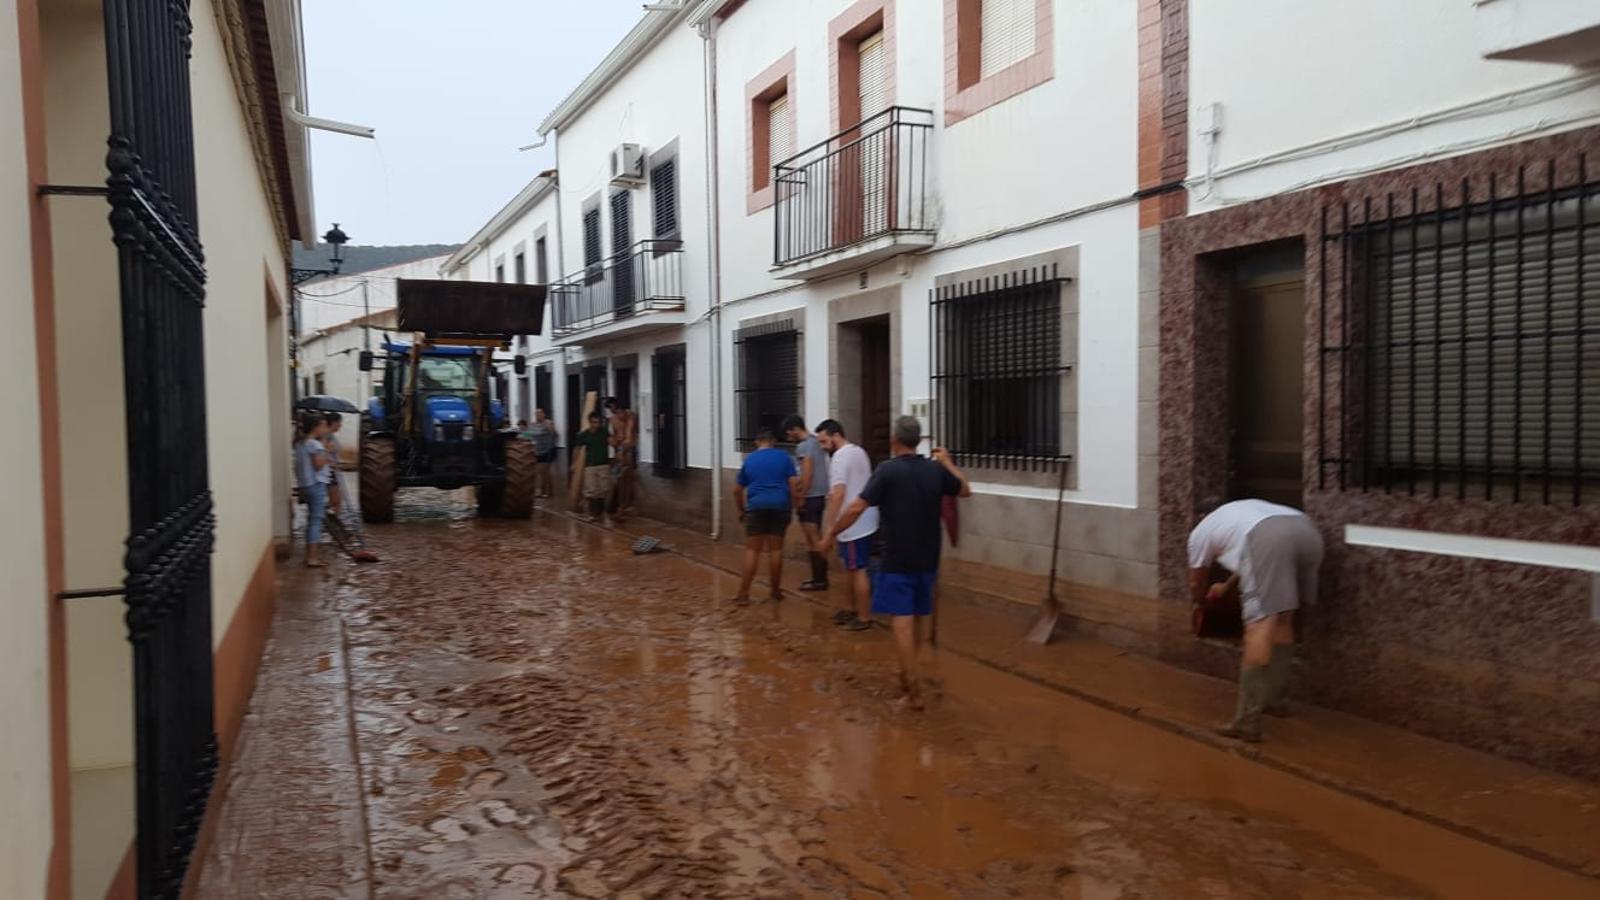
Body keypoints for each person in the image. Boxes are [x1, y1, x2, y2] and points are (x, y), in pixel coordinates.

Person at [822, 416, 970, 709]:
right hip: (928, 558)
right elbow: (965, 490)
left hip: (898, 558)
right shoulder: (935, 470)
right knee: (915, 619)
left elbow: (856, 507)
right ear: (918, 440)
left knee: (901, 624)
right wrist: (948, 462)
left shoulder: (887, 471)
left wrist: (831, 532)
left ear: (895, 439)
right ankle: (907, 674)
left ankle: (912, 691)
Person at [1188, 498, 1325, 742]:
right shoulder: (1238, 513)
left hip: (1268, 538)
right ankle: (1275, 701)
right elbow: (1254, 560)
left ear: (1201, 518)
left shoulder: (1200, 533)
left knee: (1259, 629)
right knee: (1283, 619)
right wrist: (1227, 585)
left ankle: (1246, 722)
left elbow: (1196, 581)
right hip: (1307, 532)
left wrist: (1200, 603)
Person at [815, 419, 877, 631]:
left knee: (857, 569)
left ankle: (863, 616)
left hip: (851, 525)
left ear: (836, 436)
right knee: (850, 568)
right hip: (865, 520)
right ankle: (851, 609)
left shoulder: (839, 459)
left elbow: (839, 494)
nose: (823, 447)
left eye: (824, 441)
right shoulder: (859, 451)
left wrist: (829, 531)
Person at [731, 427, 800, 605]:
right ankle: (775, 591)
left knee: (753, 550)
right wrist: (793, 506)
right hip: (780, 506)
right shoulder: (785, 458)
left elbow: (736, 490)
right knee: (776, 550)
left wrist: (741, 510)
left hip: (756, 507)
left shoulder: (750, 460)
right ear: (773, 441)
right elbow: (793, 484)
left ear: (756, 441)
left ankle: (743, 593)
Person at [784, 414, 830, 592]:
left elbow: (807, 473)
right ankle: (820, 578)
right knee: (816, 536)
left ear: (796, 429)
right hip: (820, 496)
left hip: (810, 497)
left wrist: (801, 498)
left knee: (813, 539)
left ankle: (819, 580)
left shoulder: (804, 446)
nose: (789, 437)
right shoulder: (816, 442)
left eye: (789, 433)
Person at [294, 413, 332, 568]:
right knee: (316, 521)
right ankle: (312, 558)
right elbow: (318, 465)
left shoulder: (300, 443)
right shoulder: (314, 445)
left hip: (304, 485)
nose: (325, 429)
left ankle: (309, 556)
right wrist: (327, 451)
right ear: (316, 427)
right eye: (323, 425)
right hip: (316, 485)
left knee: (311, 520)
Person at [574, 411, 612, 521]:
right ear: (590, 422)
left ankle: (600, 513)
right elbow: (577, 448)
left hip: (603, 464)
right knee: (591, 489)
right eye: (594, 422)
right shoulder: (584, 435)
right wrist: (574, 463)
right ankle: (592, 513)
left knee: (603, 489)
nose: (597, 425)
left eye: (598, 422)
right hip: (590, 465)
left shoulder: (604, 432)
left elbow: (611, 441)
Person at [606, 397, 639, 517]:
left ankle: (624, 506)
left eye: (616, 410)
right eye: (612, 410)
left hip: (628, 451)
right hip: (619, 452)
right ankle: (620, 506)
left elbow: (629, 437)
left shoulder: (631, 417)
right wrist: (614, 444)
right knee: (619, 480)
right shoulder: (613, 420)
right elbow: (612, 437)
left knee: (627, 479)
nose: (614, 412)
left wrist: (622, 449)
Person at [527, 408, 558, 498]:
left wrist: (551, 429)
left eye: (540, 413)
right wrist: (520, 434)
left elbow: (555, 435)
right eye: (536, 413)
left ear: (544, 414)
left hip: (547, 450)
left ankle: (547, 491)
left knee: (545, 471)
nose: (538, 415)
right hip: (537, 451)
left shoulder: (548, 423)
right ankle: (543, 491)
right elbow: (528, 434)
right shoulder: (533, 425)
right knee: (539, 472)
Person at [321, 413, 345, 514]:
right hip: (330, 470)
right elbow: (321, 451)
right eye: (339, 423)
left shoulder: (330, 435)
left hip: (332, 470)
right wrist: (330, 462)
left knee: (336, 500)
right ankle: (332, 522)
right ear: (334, 423)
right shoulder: (327, 436)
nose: (340, 425)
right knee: (335, 501)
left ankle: (333, 519)